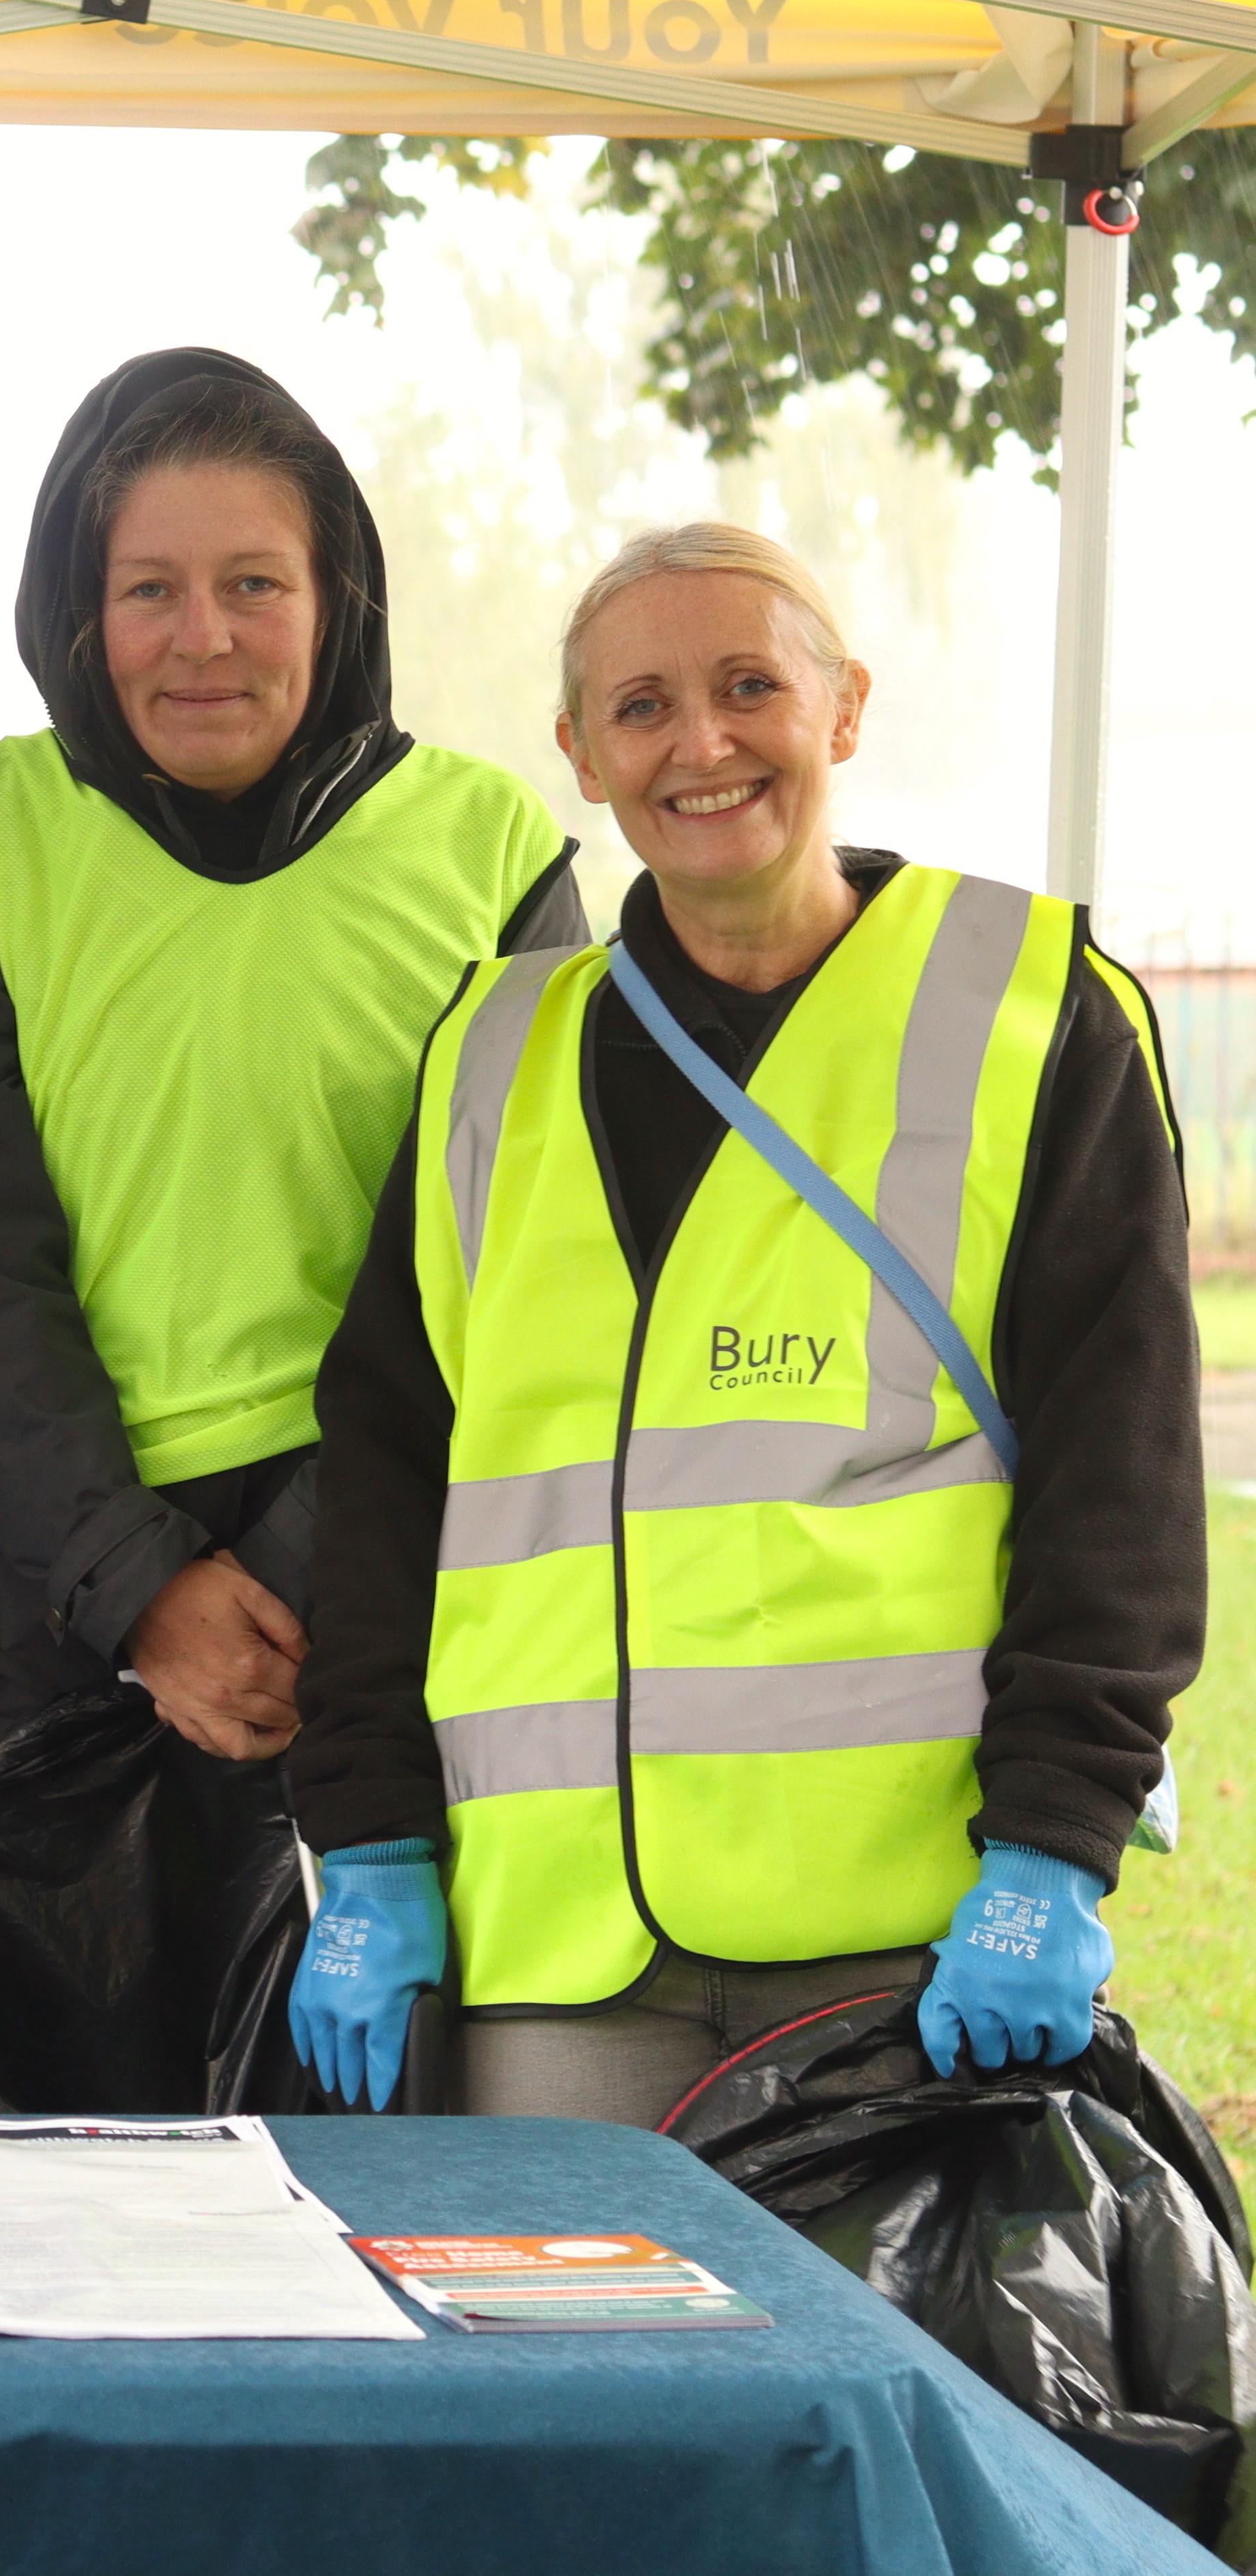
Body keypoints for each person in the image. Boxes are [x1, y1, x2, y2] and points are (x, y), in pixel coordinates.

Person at [283, 523, 1196, 2120]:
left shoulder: (1033, 1010)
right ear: (576, 754)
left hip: (906, 1946)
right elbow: (385, 1479)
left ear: (842, 708)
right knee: (564, 2373)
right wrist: (365, 1840)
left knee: (877, 2378)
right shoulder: (487, 1054)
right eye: (639, 706)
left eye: (746, 686)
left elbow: (1114, 1481)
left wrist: (1051, 1848)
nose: (698, 743)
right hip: (557, 1951)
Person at [0, 350, 586, 1887]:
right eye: (146, 591)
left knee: (357, 2123)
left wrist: (294, 1566)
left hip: (373, 1577)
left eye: (254, 583)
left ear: (335, 601)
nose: (203, 640)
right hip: (19, 1592)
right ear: (75, 612)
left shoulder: (487, 847)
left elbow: (520, 1249)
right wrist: (137, 1585)